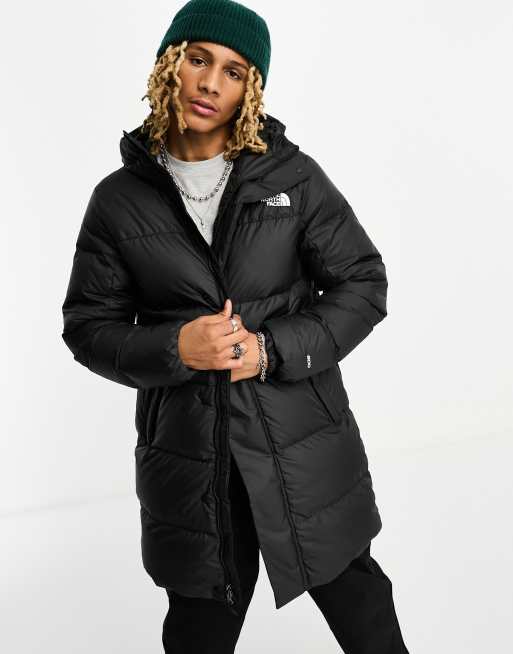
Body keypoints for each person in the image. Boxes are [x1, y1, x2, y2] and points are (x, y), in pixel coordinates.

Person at [61, 0, 410, 652]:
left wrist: (270, 351)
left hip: (303, 446)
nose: (210, 82)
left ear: (251, 89)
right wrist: (176, 346)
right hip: (190, 461)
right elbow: (87, 326)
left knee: (362, 610)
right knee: (199, 627)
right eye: (198, 59)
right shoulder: (118, 199)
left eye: (234, 71)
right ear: (170, 64)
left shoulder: (291, 178)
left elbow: (363, 284)